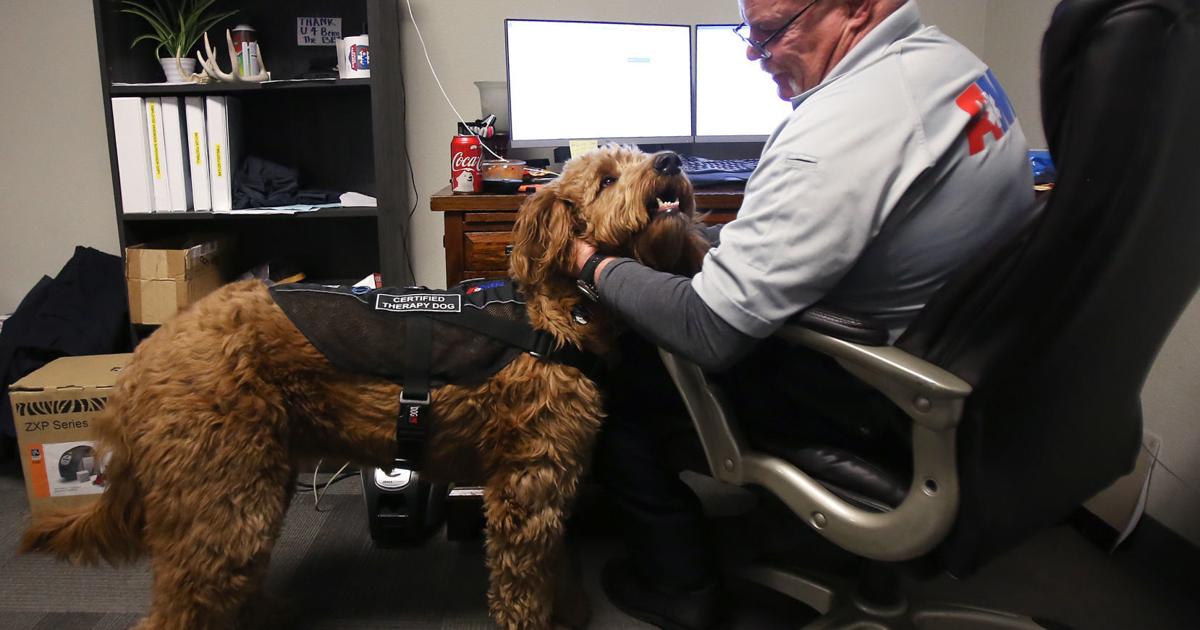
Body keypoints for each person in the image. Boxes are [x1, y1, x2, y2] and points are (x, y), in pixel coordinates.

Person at [571, 0, 1036, 628]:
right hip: (979, 376)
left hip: (876, 399)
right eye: (749, 32)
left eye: (770, 33)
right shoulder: (950, 66)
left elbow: (708, 330)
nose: (753, 53)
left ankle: (680, 585)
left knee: (615, 382)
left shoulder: (840, 128)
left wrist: (592, 266)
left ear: (857, 8)